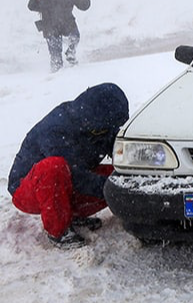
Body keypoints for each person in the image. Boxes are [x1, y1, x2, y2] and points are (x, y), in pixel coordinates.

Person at [7, 83, 129, 248]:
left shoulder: (101, 125)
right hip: (27, 190)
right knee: (54, 167)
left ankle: (70, 216)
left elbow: (118, 152)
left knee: (118, 176)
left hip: (65, 182)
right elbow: (76, 176)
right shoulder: (57, 128)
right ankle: (58, 231)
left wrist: (129, 182)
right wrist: (112, 190)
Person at [28, 0, 91, 72]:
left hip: (50, 28)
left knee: (55, 56)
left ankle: (56, 73)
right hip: (67, 24)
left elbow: (31, 6)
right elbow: (82, 5)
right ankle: (71, 52)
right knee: (75, 37)